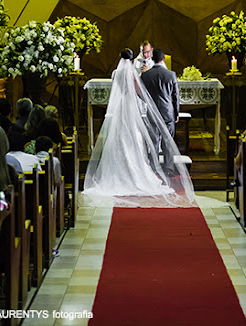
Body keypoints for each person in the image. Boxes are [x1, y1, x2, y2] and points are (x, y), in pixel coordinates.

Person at [83, 49, 194, 207]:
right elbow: (140, 92)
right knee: (133, 137)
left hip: (120, 107)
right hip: (131, 107)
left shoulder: (116, 73)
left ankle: (118, 170)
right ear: (131, 59)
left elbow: (117, 91)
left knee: (119, 136)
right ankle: (141, 170)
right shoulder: (133, 74)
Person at [141, 48, 180, 174]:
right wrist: (176, 113)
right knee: (167, 141)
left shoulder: (145, 75)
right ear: (163, 59)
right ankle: (168, 168)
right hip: (167, 112)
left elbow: (141, 93)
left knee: (153, 141)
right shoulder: (171, 74)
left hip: (152, 111)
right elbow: (175, 96)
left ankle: (154, 168)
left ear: (152, 59)